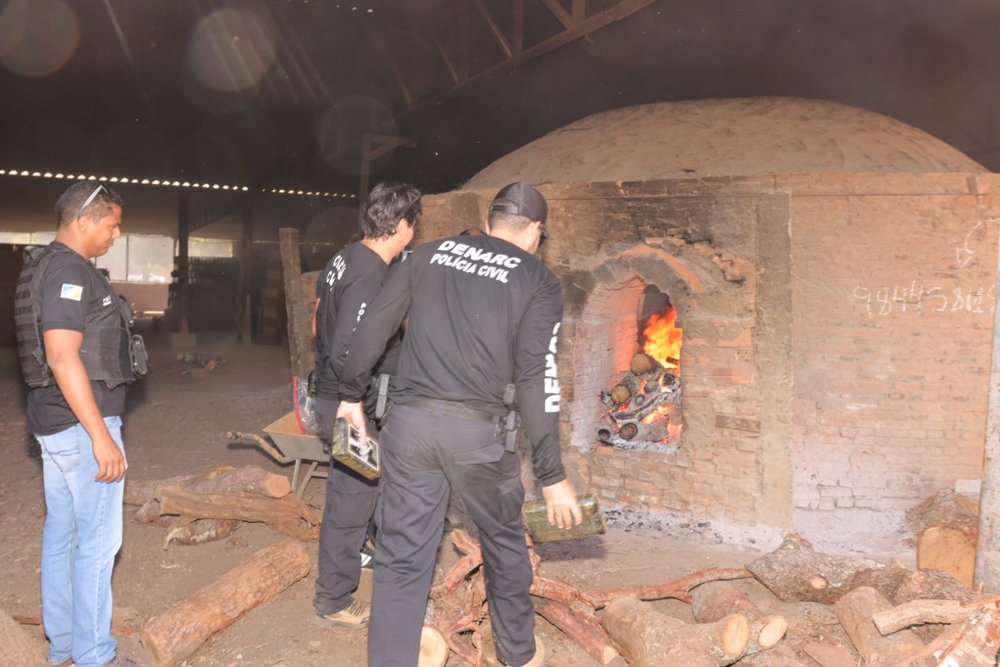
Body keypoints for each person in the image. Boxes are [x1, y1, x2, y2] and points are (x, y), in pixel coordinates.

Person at [338, 182, 584, 667]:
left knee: (402, 556)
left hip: (409, 429)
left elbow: (371, 328)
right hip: (479, 438)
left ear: (490, 222)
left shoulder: (424, 256)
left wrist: (349, 396)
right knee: (503, 542)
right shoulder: (538, 281)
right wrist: (552, 474)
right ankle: (518, 653)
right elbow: (538, 377)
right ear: (536, 231)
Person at [15, 181, 144, 667]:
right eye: (112, 225)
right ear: (84, 220)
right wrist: (100, 436)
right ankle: (94, 655)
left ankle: (66, 645)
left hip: (55, 423)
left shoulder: (44, 265)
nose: (115, 234)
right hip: (79, 426)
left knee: (63, 534)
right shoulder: (69, 270)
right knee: (97, 542)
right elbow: (62, 355)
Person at [311, 180, 422, 627]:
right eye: (414, 223)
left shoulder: (345, 257)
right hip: (347, 404)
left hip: (338, 394)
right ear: (403, 225)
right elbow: (348, 345)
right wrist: (351, 399)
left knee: (372, 483)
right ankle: (334, 598)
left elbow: (317, 322)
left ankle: (362, 550)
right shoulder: (370, 274)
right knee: (351, 499)